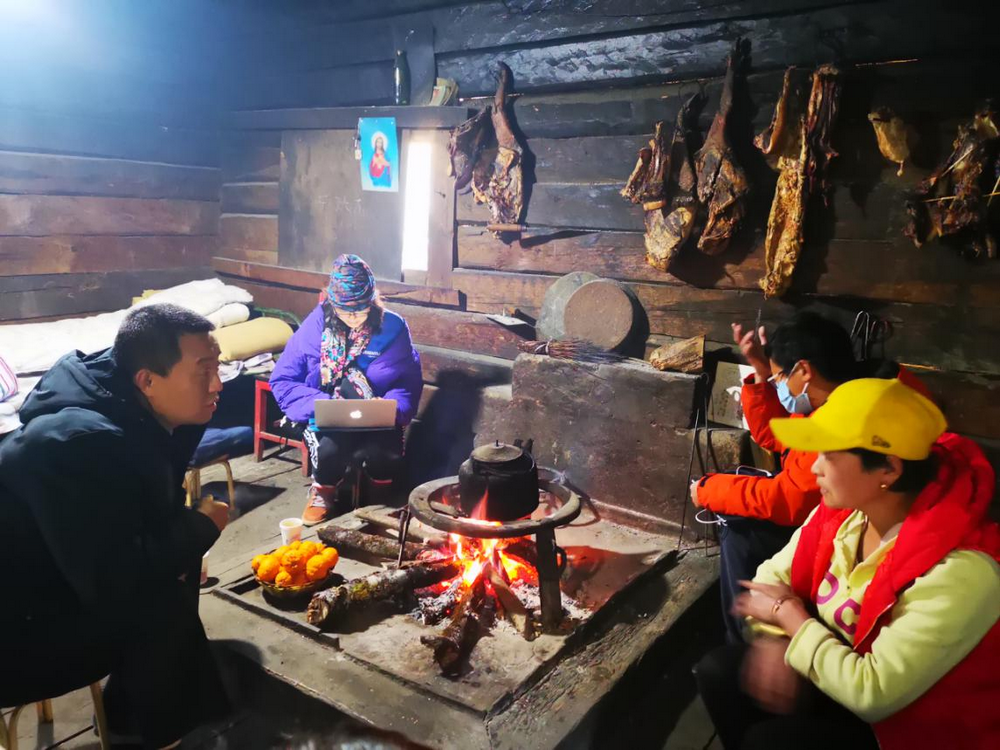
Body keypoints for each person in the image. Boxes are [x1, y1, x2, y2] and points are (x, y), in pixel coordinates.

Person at [694, 378, 999, 750]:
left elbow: (873, 693)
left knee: (770, 741)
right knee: (718, 672)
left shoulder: (962, 569)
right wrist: (775, 639)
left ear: (888, 468)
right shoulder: (847, 515)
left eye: (830, 455)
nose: (815, 469)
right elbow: (769, 577)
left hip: (908, 726)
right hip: (837, 677)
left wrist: (787, 615)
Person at [0, 304, 232, 749]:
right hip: (16, 631)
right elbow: (115, 579)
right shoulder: (76, 444)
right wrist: (199, 526)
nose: (218, 384)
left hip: (58, 577)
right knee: (163, 598)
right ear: (147, 379)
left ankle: (133, 713)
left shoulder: (132, 406)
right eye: (203, 371)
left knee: (173, 574)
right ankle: (152, 733)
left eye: (217, 366)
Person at [691, 312, 928, 643]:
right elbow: (776, 438)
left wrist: (707, 490)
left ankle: (744, 641)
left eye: (779, 379)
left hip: (852, 522)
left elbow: (791, 500)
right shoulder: (845, 391)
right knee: (738, 493)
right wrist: (762, 375)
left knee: (740, 527)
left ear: (804, 370)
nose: (779, 388)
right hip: (843, 510)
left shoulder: (853, 415)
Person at [270, 253, 422, 525]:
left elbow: (407, 380)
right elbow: (283, 380)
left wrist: (393, 408)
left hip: (377, 415)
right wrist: (321, 403)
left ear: (373, 301)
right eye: (344, 310)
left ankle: (379, 492)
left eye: (360, 309)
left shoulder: (394, 328)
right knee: (330, 450)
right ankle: (324, 490)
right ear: (331, 302)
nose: (353, 317)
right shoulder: (314, 327)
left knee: (385, 452)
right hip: (326, 416)